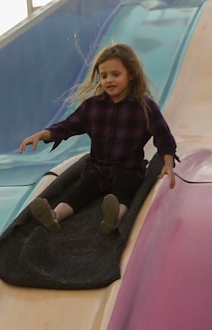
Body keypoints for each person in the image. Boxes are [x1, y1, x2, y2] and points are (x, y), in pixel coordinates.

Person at [18, 43, 178, 236]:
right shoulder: (93, 107)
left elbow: (163, 137)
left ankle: (114, 218)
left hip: (128, 168)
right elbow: (68, 126)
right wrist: (43, 134)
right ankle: (55, 216)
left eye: (115, 74)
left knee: (124, 192)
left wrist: (168, 163)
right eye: (104, 76)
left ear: (131, 74)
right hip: (97, 168)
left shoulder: (145, 107)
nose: (109, 80)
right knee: (80, 191)